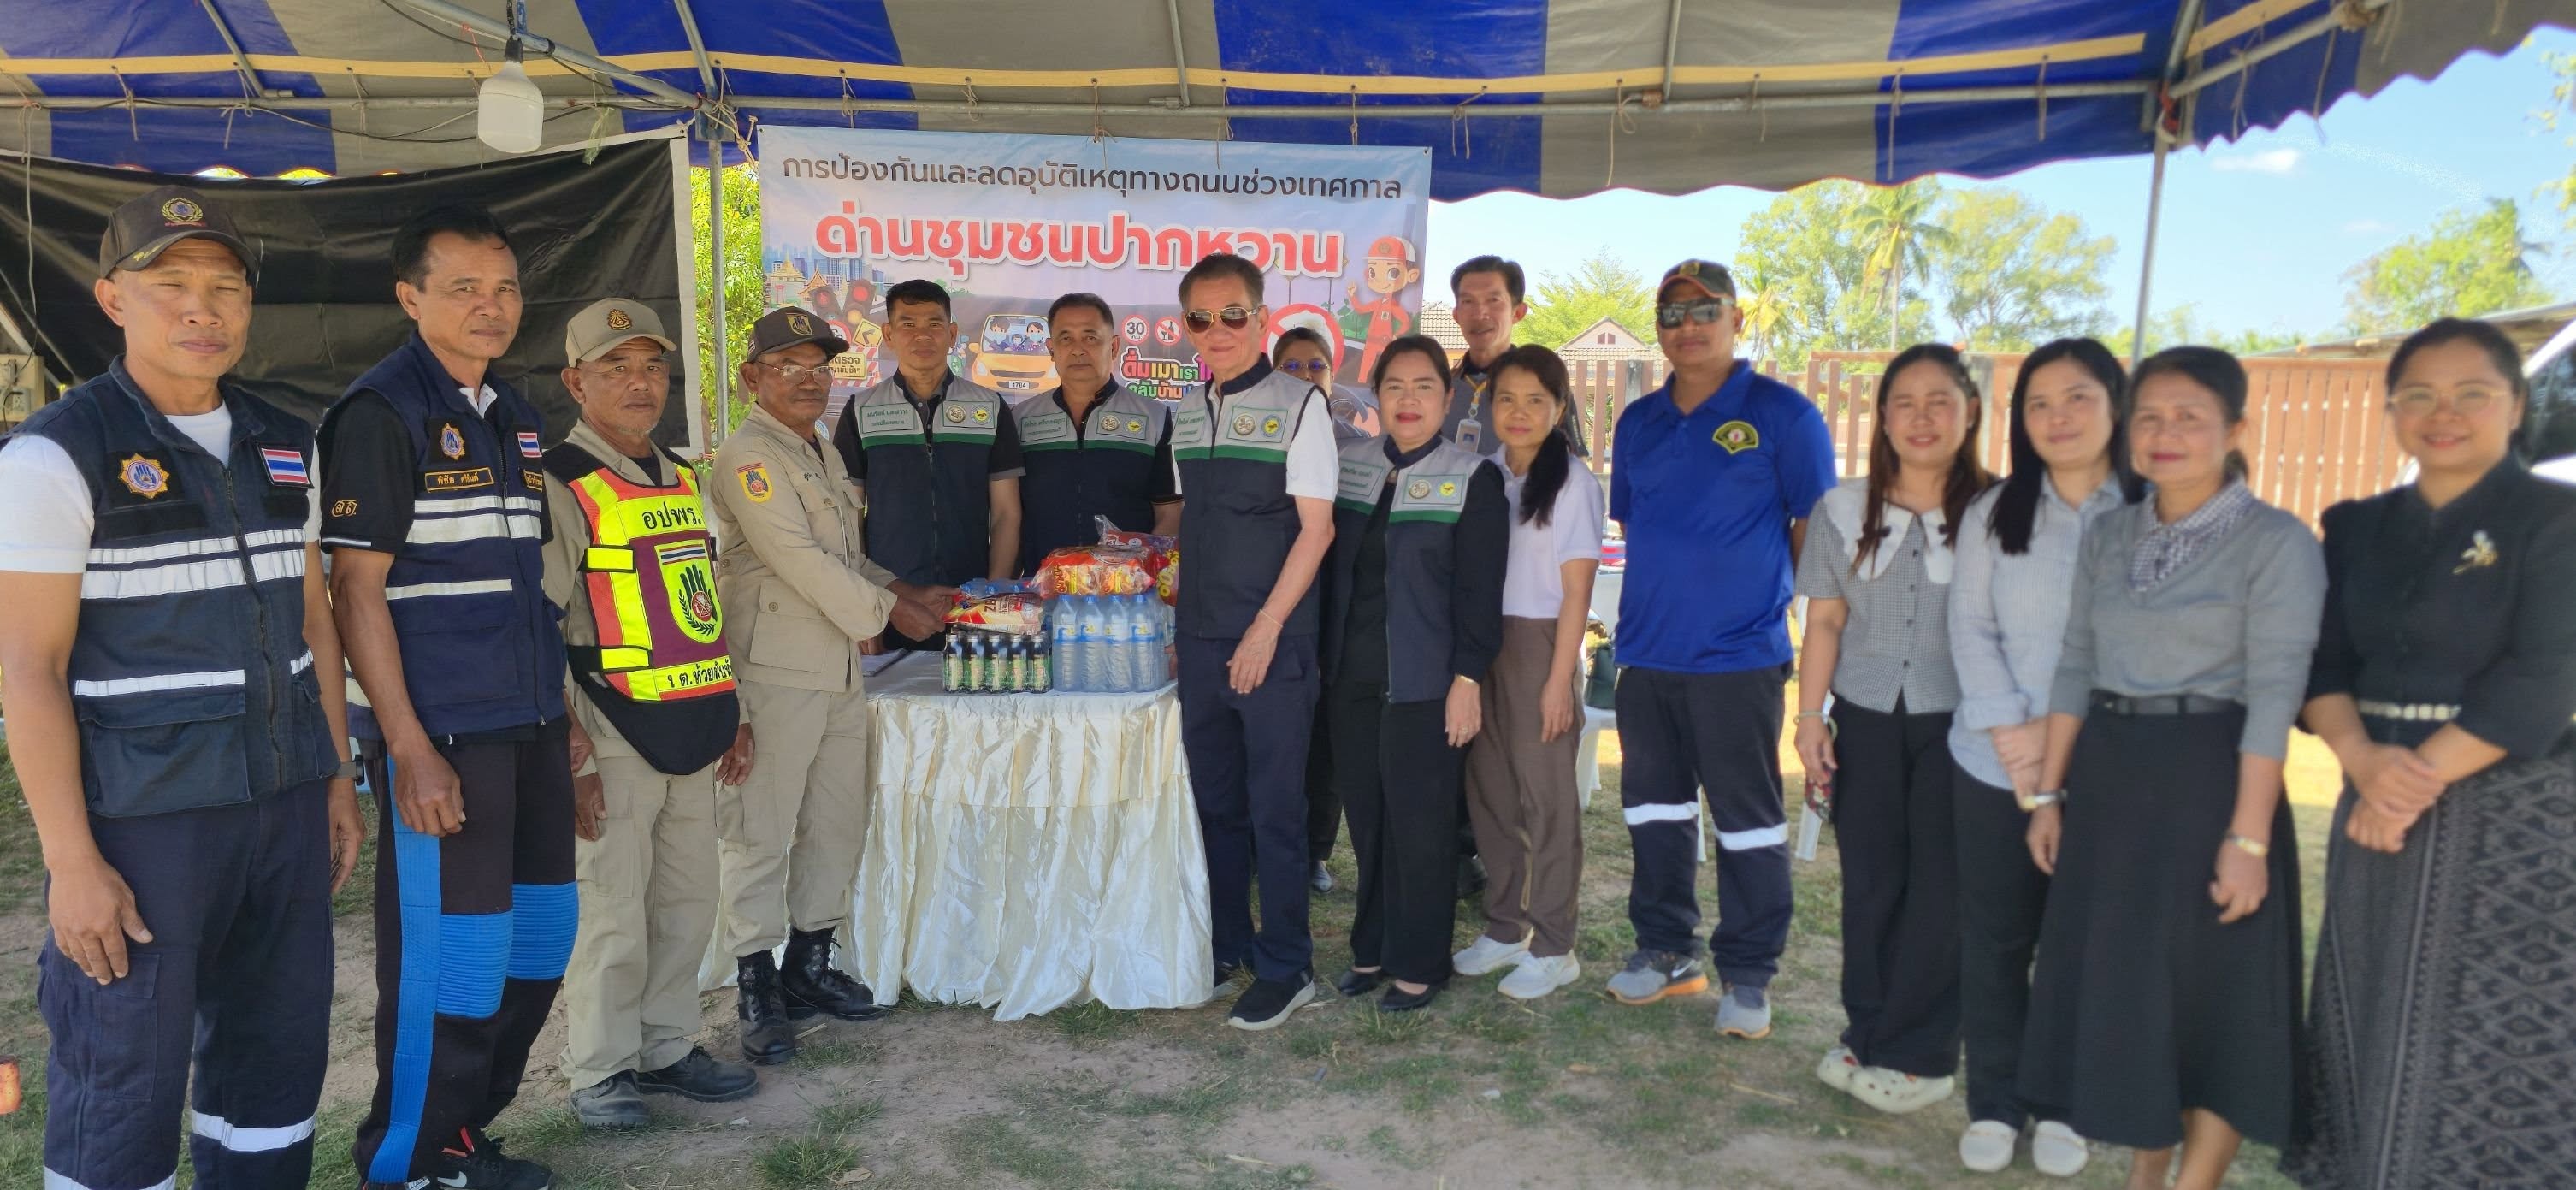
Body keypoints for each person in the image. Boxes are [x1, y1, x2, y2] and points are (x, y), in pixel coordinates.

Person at [1, 185, 362, 1190]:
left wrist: (336, 776)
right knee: (126, 1078)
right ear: (113, 298)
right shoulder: (53, 454)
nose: (203, 308)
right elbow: (26, 667)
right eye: (171, 284)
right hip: (145, 823)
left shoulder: (287, 440)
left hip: (284, 806)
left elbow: (314, 619)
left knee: (275, 1064)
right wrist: (71, 861)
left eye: (225, 286)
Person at [2020, 346, 2324, 1190]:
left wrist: (2248, 839)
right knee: (2135, 993)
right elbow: (2075, 663)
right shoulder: (2112, 531)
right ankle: (2144, 1173)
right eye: (2150, 416)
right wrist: (2048, 794)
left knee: (2212, 997)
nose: (2166, 433)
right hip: (2112, 779)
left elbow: (2275, 694)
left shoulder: (2277, 542)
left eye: (2190, 416)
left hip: (2213, 780)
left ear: (2236, 429)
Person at [2284, 319, 2576, 1190]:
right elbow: (2323, 663)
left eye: (2471, 394)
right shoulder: (2356, 525)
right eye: (2420, 395)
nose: (2443, 413)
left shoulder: (2556, 519)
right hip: (2371, 790)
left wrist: (2406, 785)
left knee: (2495, 1026)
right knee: (2371, 1004)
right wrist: (2363, 763)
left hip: (2513, 811)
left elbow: (2545, 674)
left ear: (2515, 405)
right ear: (2393, 410)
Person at [322, 204, 572, 1190]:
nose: (490, 305)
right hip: (447, 734)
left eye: (504, 287)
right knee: (454, 956)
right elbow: (355, 591)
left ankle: (466, 1129)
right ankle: (410, 1158)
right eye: (463, 287)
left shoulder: (512, 412)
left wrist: (565, 721)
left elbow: (526, 585)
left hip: (531, 720)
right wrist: (408, 746)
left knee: (538, 938)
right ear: (410, 296)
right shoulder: (381, 412)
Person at [709, 306, 952, 1064]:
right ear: (752, 377)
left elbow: (845, 555)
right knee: (760, 830)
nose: (809, 381)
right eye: (789, 366)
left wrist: (907, 589)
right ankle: (756, 983)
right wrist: (893, 612)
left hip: (841, 667)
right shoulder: (749, 456)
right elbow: (801, 561)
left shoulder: (819, 449)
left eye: (819, 368)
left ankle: (809, 964)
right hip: (775, 671)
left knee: (836, 820)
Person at [541, 299, 760, 1128]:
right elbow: (536, 618)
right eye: (616, 368)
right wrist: (569, 744)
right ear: (576, 382)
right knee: (613, 908)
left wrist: (734, 709)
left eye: (651, 367)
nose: (640, 383)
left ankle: (667, 1046)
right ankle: (601, 1069)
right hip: (610, 723)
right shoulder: (562, 480)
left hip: (692, 721)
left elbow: (701, 603)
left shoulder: (680, 474)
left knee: (687, 900)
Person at [1605, 259, 1835, 1040]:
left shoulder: (1784, 415)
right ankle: (1668, 949)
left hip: (1739, 661)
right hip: (1647, 657)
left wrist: (1758, 603)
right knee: (1655, 812)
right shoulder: (1638, 422)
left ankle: (1748, 972)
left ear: (1737, 319)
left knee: (1747, 822)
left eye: (1706, 311)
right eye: (1672, 314)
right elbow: (1637, 525)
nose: (1688, 327)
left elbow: (1813, 532)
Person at [1944, 337, 2142, 1177]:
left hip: (2107, 768)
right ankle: (1995, 1099)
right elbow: (1970, 627)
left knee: (2081, 943)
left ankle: (2064, 1101)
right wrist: (2016, 738)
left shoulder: (2152, 511)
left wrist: (2064, 744)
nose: (2058, 417)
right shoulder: (1995, 512)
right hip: (1997, 762)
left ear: (2115, 405)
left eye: (2078, 397)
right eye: (2038, 403)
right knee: (1995, 938)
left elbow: (2150, 648)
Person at [1793, 344, 1989, 1116]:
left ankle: (1923, 1054)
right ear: (1881, 417)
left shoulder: (2000, 511)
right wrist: (1809, 718)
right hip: (1866, 718)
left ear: (1970, 412)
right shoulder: (1843, 509)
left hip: (1963, 724)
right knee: (1870, 884)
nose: (1922, 417)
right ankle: (1867, 1031)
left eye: (1940, 400)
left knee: (1941, 889)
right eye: (1904, 402)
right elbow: (1825, 622)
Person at [1168, 252, 1338, 1030]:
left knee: (1276, 809)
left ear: (1261, 319)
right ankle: (1229, 943)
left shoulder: (1301, 405)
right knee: (1216, 805)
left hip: (1272, 643)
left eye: (1233, 314)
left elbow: (1317, 531)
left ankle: (1287, 963)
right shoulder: (1185, 410)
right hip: (1201, 642)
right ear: (1186, 327)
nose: (1218, 329)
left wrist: (1266, 629)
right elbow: (1195, 530)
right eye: (1201, 317)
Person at [1320, 335, 1508, 1014]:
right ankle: (1371, 947)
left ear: (1447, 396)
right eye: (1394, 385)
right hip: (1352, 675)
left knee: (1420, 825)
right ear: (1375, 395)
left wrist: (1467, 680)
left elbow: (1480, 595)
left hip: (1427, 682)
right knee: (1368, 821)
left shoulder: (1472, 477)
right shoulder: (1352, 466)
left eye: (1424, 386)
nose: (1408, 399)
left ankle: (1420, 962)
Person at [1452, 345, 1604, 1002]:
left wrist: (1557, 680)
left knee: (1546, 798)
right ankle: (1507, 925)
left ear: (1560, 408)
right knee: (1491, 791)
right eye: (1507, 399)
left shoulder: (1573, 483)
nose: (1519, 412)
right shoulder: (1486, 473)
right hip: (1483, 644)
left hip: (1543, 644)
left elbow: (1577, 592)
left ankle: (1554, 943)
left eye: (1536, 400)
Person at [830, 279, 1023, 645]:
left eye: (934, 324)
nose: (922, 335)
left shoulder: (990, 407)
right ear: (889, 335)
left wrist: (990, 598)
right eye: (908, 324)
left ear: (952, 335)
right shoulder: (861, 410)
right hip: (891, 606)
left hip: (970, 601)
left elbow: (1006, 514)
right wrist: (869, 608)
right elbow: (848, 520)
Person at [1273, 326, 1366, 895]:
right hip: (1270, 597)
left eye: (1315, 366)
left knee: (1326, 731)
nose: (1305, 376)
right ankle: (1263, 843)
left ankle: (1314, 850)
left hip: (1335, 600)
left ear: (1333, 377)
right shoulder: (1258, 432)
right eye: (1291, 366)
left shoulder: (1357, 447)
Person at [1009, 292, 1179, 572]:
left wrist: (1142, 570)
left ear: (1114, 346)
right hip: (1042, 586)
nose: (1078, 350)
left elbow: (1169, 512)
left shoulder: (1155, 417)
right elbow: (1008, 516)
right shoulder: (1020, 419)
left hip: (1126, 589)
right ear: (1051, 349)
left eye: (1090, 338)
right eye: (1066, 339)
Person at [1445, 255, 1586, 456]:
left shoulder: (1544, 382)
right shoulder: (1441, 387)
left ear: (1518, 312)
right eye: (1468, 301)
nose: (1480, 313)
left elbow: (1573, 461)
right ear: (1456, 315)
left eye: (1493, 300)